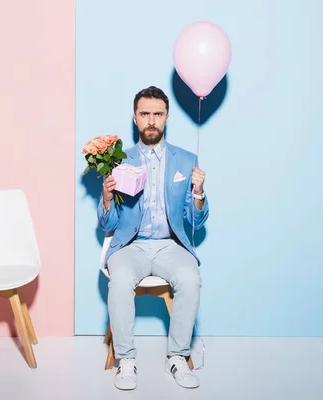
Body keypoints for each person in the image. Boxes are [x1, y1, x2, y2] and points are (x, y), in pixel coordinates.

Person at [98, 86, 209, 390]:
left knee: (190, 278)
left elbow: (195, 221)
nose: (151, 120)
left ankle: (177, 356)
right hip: (130, 245)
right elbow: (107, 222)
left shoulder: (186, 160)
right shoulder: (118, 159)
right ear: (135, 118)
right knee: (119, 280)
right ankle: (125, 359)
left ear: (166, 117)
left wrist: (198, 193)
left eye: (157, 114)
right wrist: (106, 198)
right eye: (144, 114)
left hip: (170, 245)